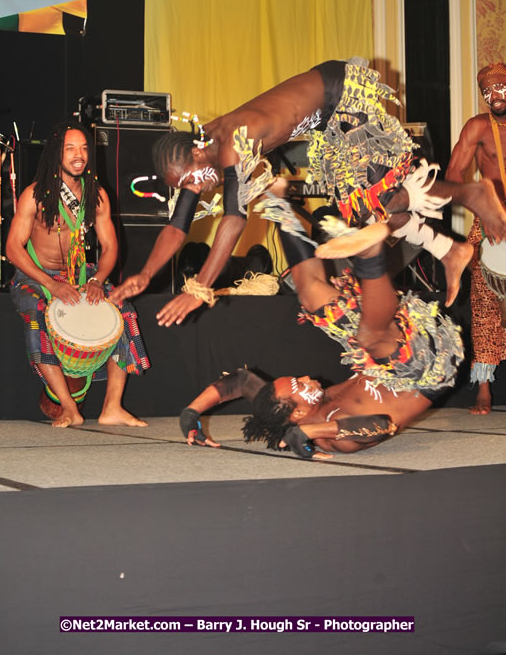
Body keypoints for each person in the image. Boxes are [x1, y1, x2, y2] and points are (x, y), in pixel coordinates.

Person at [111, 59, 506, 320]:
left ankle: (474, 195)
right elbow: (177, 225)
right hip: (325, 122)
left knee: (386, 196)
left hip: (340, 92)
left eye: (190, 179)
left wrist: (200, 289)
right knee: (366, 213)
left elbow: (233, 220)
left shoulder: (232, 142)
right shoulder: (202, 159)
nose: (195, 189)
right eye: (185, 187)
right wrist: (145, 274)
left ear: (197, 152)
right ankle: (451, 250)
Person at [178, 190, 463, 459]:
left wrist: (191, 412)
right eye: (298, 384)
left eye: (296, 378)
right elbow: (382, 424)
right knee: (368, 340)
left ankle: (281, 203)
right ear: (299, 415)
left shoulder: (280, 401)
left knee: (313, 299)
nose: (303, 377)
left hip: (388, 343)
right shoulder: (336, 438)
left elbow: (240, 381)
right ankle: (369, 254)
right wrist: (310, 432)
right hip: (424, 369)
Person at [6, 120, 150, 428]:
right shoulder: (34, 195)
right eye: (70, 148)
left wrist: (97, 280)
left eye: (84, 148)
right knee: (37, 311)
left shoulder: (96, 196)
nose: (78, 155)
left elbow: (110, 247)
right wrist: (50, 285)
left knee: (122, 306)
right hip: (35, 276)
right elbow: (13, 250)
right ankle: (69, 407)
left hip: (79, 274)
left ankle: (112, 406)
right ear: (56, 154)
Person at [446, 61, 506, 415]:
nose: (492, 96)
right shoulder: (479, 127)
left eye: (499, 87)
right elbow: (455, 174)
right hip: (490, 226)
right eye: (486, 90)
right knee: (485, 308)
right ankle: (483, 387)